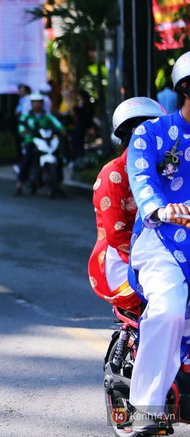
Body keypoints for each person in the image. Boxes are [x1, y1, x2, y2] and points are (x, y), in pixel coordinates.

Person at [125, 50, 190, 433]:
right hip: (161, 242)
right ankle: (146, 408)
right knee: (168, 311)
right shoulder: (150, 132)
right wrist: (160, 209)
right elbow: (141, 174)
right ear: (185, 88)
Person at [87, 97, 166, 311]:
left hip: (166, 250)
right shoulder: (112, 175)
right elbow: (116, 234)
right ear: (132, 135)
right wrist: (159, 254)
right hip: (124, 259)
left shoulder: (167, 170)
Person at [15, 92, 66, 196]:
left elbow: (58, 125)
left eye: (39, 102)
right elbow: (21, 127)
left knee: (58, 158)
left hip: (46, 141)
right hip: (31, 141)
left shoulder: (47, 116)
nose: (37, 105)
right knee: (27, 159)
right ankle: (19, 184)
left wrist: (62, 130)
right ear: (32, 103)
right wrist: (24, 131)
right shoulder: (27, 117)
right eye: (35, 102)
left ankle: (59, 185)